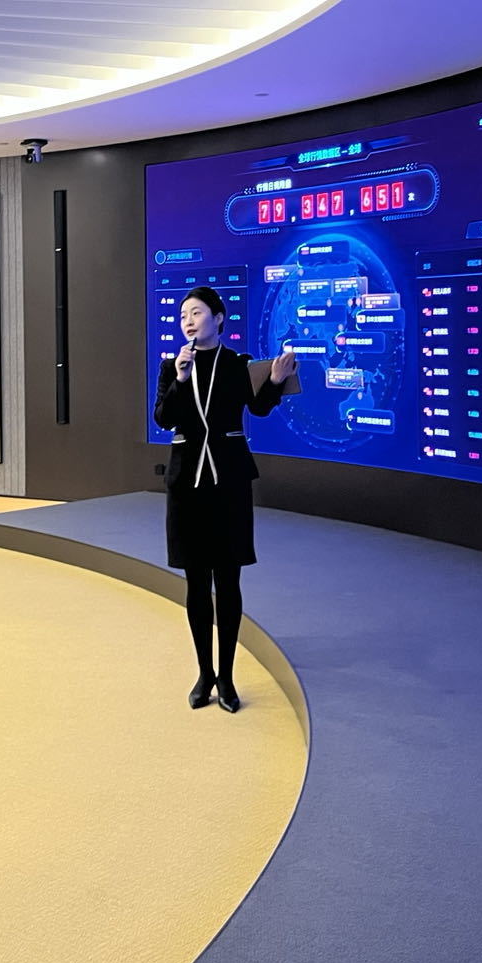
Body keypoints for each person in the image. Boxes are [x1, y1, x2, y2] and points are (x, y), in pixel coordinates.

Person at [151, 286, 295, 714]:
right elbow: (164, 417)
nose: (188, 322)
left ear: (218, 318)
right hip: (186, 485)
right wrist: (180, 379)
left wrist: (275, 381)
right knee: (196, 582)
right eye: (183, 316)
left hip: (229, 482)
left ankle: (228, 677)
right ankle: (204, 673)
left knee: (228, 582)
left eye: (196, 313)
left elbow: (260, 408)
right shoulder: (172, 366)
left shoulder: (237, 364)